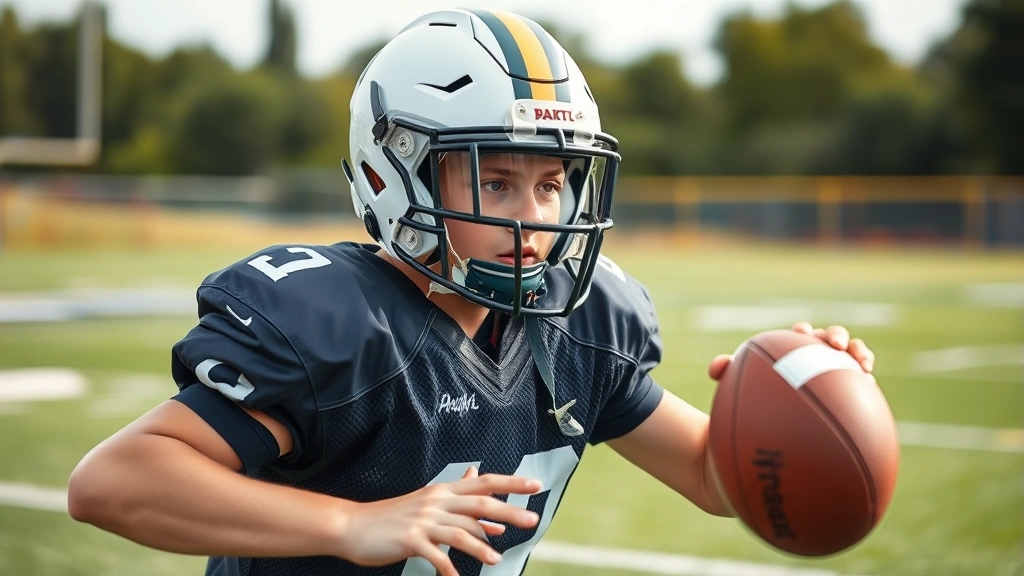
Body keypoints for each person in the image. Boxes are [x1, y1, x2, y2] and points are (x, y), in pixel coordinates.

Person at [67, 9, 875, 576]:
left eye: (553, 182)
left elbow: (714, 481)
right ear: (396, 170)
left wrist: (793, 405)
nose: (532, 215)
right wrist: (351, 524)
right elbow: (113, 483)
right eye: (495, 178)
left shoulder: (577, 326)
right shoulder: (344, 327)